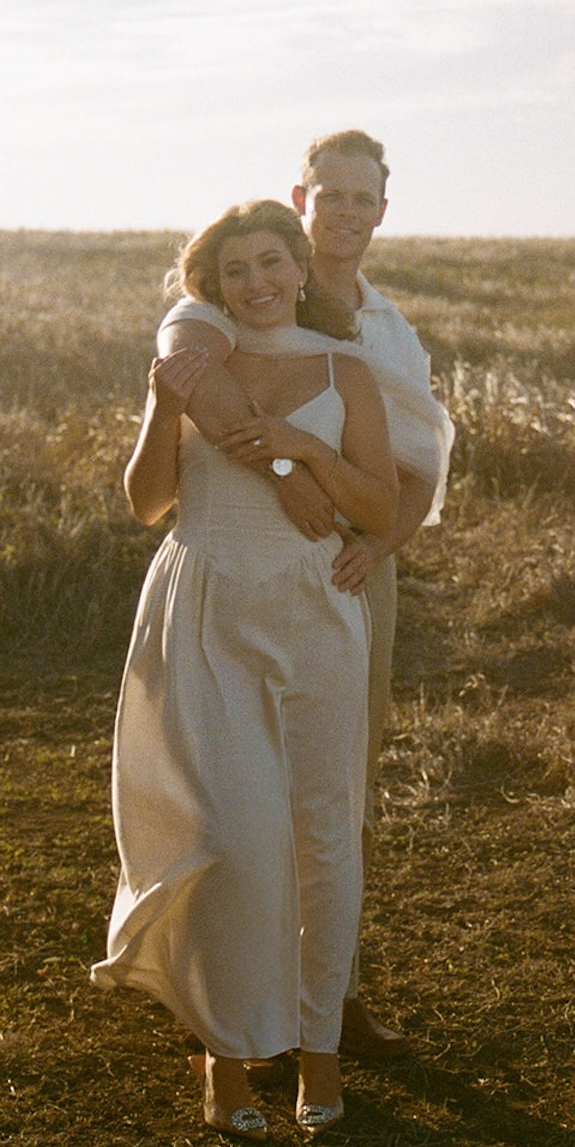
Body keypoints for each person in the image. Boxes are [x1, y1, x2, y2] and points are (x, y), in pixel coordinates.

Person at [91, 200, 397, 1140]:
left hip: (313, 613)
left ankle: (317, 1052)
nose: (256, 282)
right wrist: (163, 406)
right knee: (236, 834)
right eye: (235, 271)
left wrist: (303, 448)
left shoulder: (347, 371)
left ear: (298, 268)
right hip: (208, 608)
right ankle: (225, 1056)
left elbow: (378, 506)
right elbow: (146, 504)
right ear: (212, 285)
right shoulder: (196, 366)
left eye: (271, 262)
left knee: (323, 835)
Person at [157, 130, 454, 1057]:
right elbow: (184, 371)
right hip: (245, 561)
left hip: (353, 567)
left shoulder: (387, 329)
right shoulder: (242, 295)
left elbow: (419, 465)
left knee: (338, 786)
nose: (347, 215)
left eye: (364, 200)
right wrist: (290, 469)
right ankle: (232, 990)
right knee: (234, 784)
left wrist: (378, 549)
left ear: (382, 210)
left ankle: (333, 994)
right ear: (301, 199)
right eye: (331, 197)